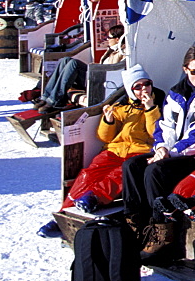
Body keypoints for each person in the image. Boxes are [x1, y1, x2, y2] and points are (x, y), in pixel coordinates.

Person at [122, 45, 195, 261]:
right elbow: (166, 126)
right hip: (175, 152)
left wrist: (170, 152)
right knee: (131, 166)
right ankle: (137, 223)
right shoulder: (176, 92)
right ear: (185, 70)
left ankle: (163, 233)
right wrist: (161, 147)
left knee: (155, 171)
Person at [38, 65, 164, 238]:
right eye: (138, 86)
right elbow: (104, 137)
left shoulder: (159, 104)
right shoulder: (122, 107)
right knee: (88, 174)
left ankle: (95, 198)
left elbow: (155, 134)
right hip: (115, 150)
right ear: (129, 89)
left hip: (140, 151)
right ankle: (63, 215)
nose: (144, 89)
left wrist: (150, 109)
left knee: (119, 174)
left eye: (147, 84)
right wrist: (108, 120)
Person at [37, 24, 127, 113]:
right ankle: (46, 96)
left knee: (74, 64)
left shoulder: (122, 52)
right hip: (98, 75)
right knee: (65, 60)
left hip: (101, 82)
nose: (107, 39)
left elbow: (113, 69)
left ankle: (55, 100)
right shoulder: (112, 49)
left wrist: (96, 68)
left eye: (109, 37)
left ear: (117, 39)